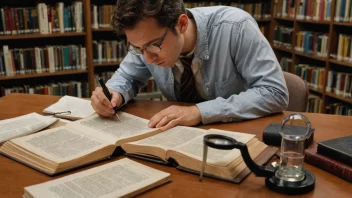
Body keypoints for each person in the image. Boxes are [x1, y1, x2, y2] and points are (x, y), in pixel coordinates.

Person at [91, 0, 289, 131]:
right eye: (137, 48)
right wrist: (113, 93)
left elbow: (274, 92)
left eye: (154, 46)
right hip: (181, 139)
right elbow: (127, 77)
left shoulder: (236, 27)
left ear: (182, 24)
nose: (148, 59)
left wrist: (199, 112)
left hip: (238, 134)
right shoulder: (147, 43)